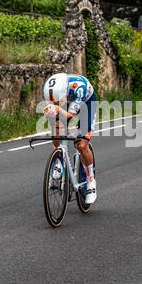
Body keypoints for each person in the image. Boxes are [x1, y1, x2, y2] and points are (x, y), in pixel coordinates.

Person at [43, 73, 97, 204]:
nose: (54, 103)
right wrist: (52, 112)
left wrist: (58, 109)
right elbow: (56, 116)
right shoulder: (50, 90)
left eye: (57, 101)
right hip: (66, 103)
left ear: (65, 92)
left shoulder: (79, 88)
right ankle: (59, 161)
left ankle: (90, 180)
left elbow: (69, 115)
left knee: (81, 145)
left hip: (86, 103)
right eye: (52, 101)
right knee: (56, 128)